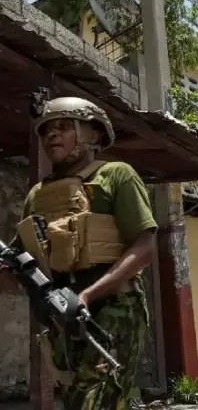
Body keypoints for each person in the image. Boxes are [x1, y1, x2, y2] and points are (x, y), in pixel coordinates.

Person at [3, 97, 156, 408]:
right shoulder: (38, 194)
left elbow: (144, 247)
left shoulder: (116, 175)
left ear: (94, 136)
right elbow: (21, 258)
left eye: (64, 126)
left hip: (114, 309)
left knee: (95, 402)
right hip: (61, 313)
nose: (52, 135)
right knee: (75, 399)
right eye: (46, 131)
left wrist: (87, 295)